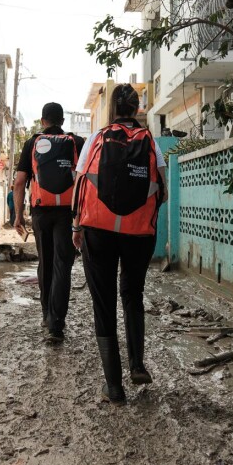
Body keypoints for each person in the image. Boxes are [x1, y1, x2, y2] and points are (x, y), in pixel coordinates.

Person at [71, 84, 167, 404]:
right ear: (137, 108)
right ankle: (137, 364)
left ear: (112, 108)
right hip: (140, 233)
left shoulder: (96, 139)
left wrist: (76, 225)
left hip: (97, 229)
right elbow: (161, 191)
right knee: (132, 293)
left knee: (104, 301)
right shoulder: (150, 141)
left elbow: (81, 181)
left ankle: (114, 386)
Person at [13, 102, 84, 344]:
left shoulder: (32, 142)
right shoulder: (76, 143)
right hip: (67, 212)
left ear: (43, 121)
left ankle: (46, 314)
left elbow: (20, 181)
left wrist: (18, 214)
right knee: (62, 265)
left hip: (41, 212)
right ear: (62, 121)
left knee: (45, 262)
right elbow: (86, 180)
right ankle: (57, 325)